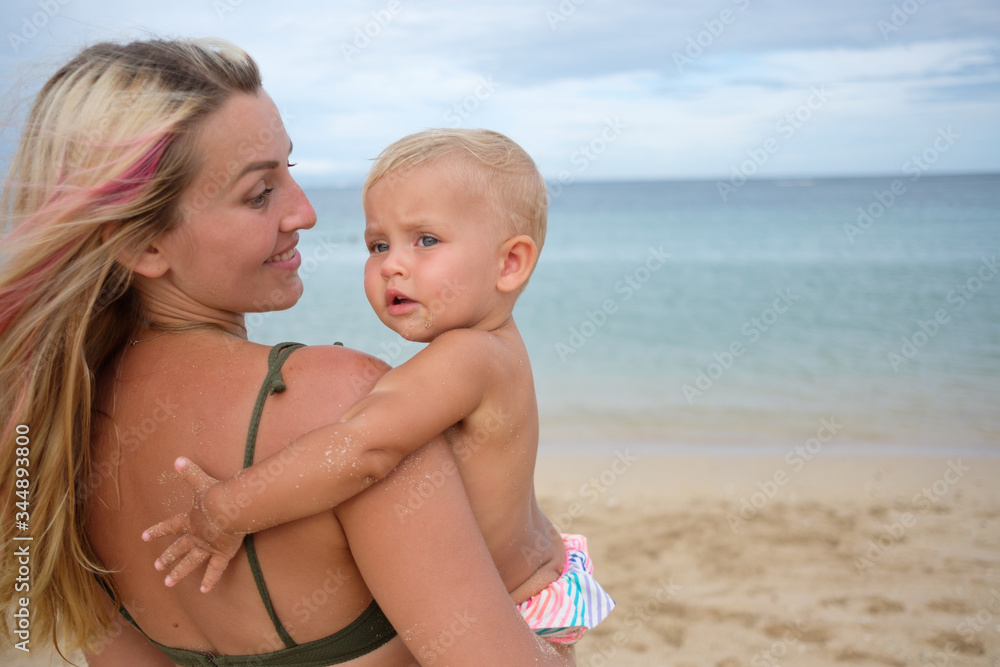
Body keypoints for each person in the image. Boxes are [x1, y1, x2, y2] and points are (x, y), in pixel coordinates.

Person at [0, 38, 575, 666]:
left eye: (290, 173)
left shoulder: (53, 433)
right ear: (143, 246)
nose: (304, 214)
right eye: (257, 194)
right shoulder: (339, 399)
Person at [146, 128, 615, 644]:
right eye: (378, 244)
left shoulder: (469, 356)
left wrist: (229, 509)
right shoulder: (496, 347)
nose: (392, 264)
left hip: (512, 609)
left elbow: (364, 448)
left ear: (509, 264)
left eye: (426, 240)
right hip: (533, 582)